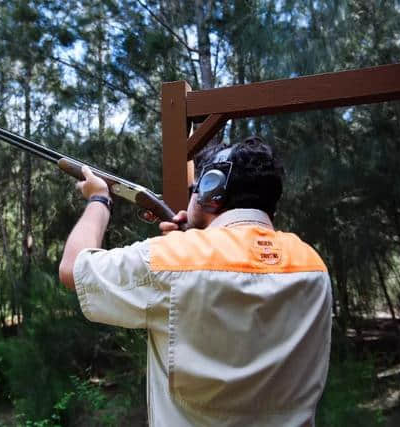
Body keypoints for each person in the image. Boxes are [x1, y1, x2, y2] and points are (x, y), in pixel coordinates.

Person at [59, 136, 332, 426]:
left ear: (211, 190)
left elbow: (72, 268)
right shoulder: (313, 265)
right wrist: (193, 240)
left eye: (196, 187)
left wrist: (99, 199)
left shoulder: (173, 259)